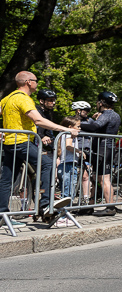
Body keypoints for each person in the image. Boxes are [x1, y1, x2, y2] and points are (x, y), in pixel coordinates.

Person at [0, 72, 78, 225]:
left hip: (9, 143)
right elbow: (38, 120)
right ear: (29, 82)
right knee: (47, 164)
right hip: (22, 142)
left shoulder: (7, 98)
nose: (37, 83)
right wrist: (66, 129)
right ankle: (45, 205)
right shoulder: (23, 99)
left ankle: (2, 214)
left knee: (6, 179)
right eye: (35, 81)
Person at [78, 91, 121, 216]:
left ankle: (110, 207)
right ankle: (90, 206)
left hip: (104, 148)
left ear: (101, 103)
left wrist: (76, 125)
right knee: (95, 177)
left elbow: (95, 127)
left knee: (104, 178)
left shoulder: (107, 114)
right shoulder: (112, 114)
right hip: (103, 148)